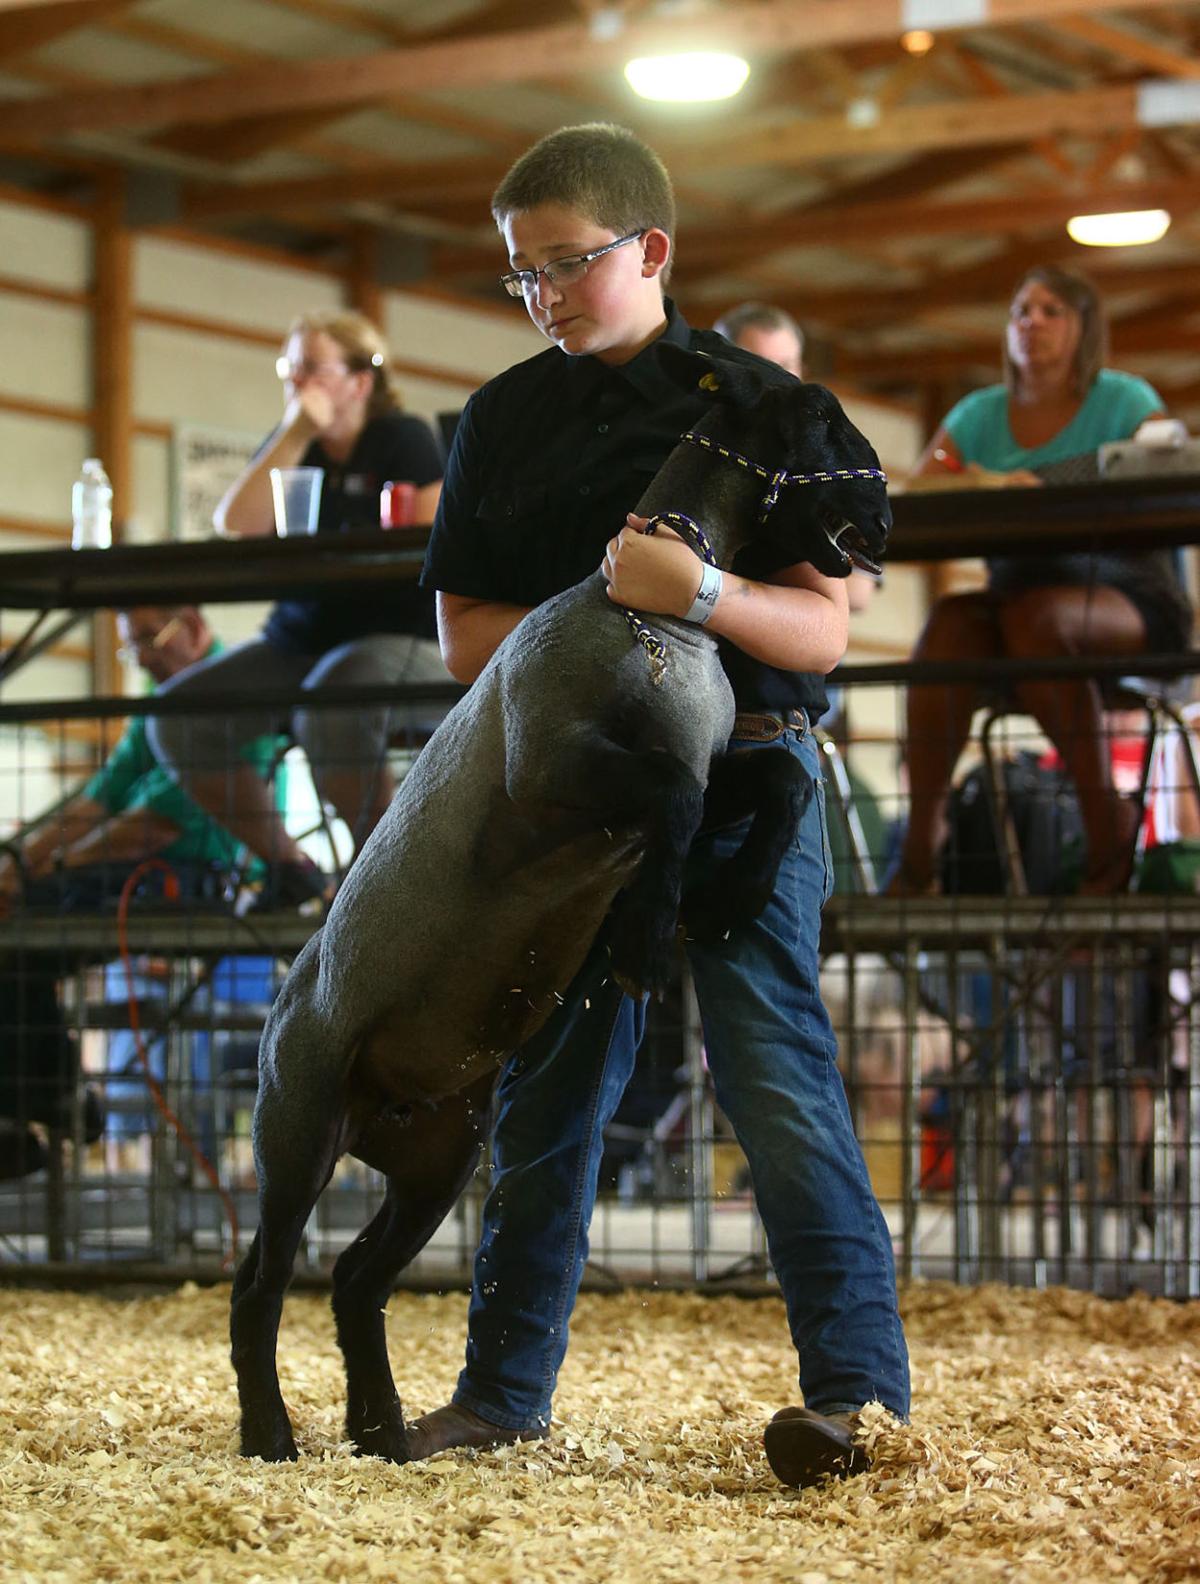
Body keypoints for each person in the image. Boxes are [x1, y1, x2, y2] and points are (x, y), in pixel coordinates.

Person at [407, 122, 910, 1489]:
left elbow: (820, 633)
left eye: (568, 263)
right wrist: (594, 611)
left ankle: (859, 1401)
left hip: (748, 770)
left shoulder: (766, 411)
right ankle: (503, 1397)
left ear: (653, 251)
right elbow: (463, 637)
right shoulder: (504, 418)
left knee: (776, 1074)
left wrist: (696, 597)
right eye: (521, 275)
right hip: (571, 785)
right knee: (548, 1083)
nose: (546, 295)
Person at [891, 265, 1192, 895]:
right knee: (951, 624)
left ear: (1084, 327)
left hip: (1131, 598)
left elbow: (1165, 460)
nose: (1032, 322)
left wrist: (1052, 482)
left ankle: (1104, 819)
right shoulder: (978, 413)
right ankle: (923, 840)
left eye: (1051, 310)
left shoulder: (1125, 399)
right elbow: (923, 489)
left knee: (1039, 619)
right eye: (1021, 311)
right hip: (1018, 603)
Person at [148, 310, 447, 904]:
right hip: (302, 639)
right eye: (289, 367)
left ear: (359, 382)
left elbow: (433, 525)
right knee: (179, 718)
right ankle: (290, 866)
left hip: (401, 637)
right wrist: (292, 433)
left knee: (331, 702)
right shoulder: (295, 446)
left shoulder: (402, 438)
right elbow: (238, 523)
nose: (295, 381)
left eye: (311, 367)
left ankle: (385, 879)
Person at [0, 605, 276, 1170]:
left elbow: (160, 821)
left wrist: (40, 870)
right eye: (133, 645)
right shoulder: (158, 705)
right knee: (15, 927)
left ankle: (46, 1100)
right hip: (129, 868)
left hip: (186, 875)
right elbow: (99, 797)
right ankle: (49, 1098)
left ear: (194, 628)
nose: (143, 657)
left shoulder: (233, 695)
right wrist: (16, 862)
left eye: (150, 638)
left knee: (19, 928)